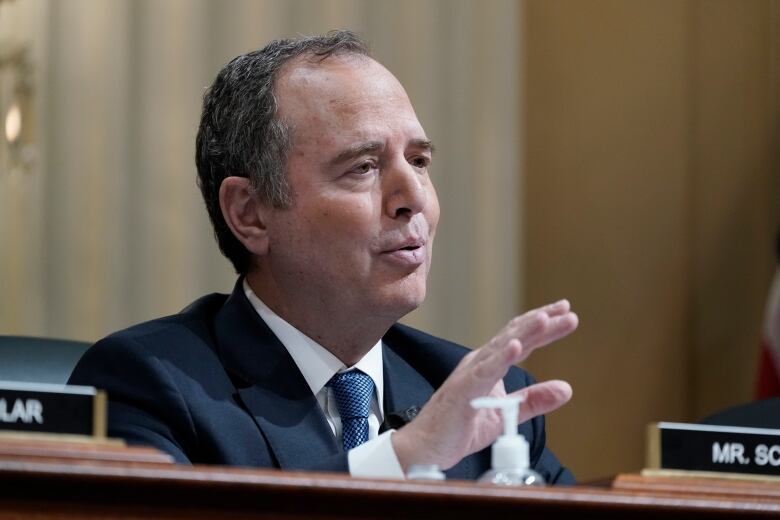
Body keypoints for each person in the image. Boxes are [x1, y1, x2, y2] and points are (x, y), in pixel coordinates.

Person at [69, 30, 578, 483]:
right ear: (251, 213)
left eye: (419, 161)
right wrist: (402, 459)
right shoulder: (149, 385)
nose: (413, 197)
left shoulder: (485, 397)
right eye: (363, 166)